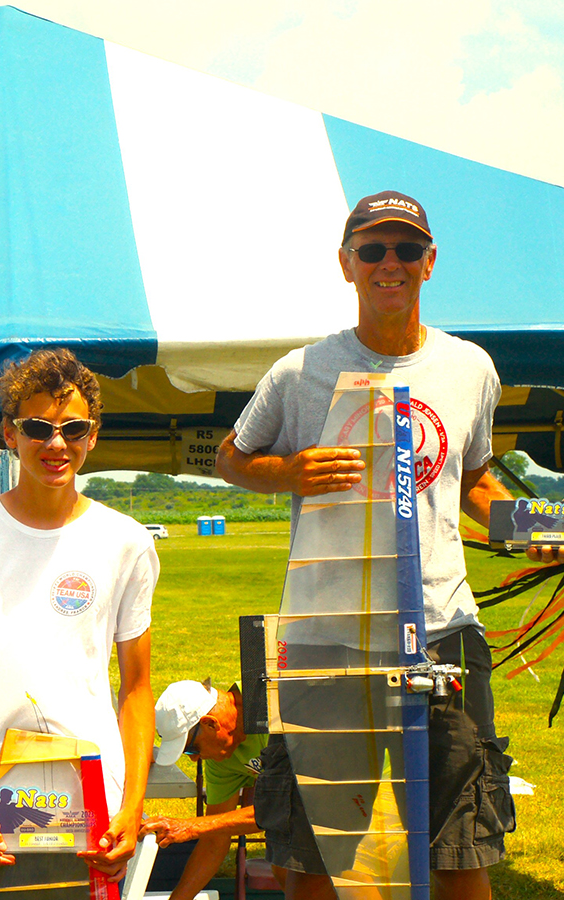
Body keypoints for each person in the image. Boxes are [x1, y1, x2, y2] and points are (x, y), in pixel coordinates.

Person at [216, 191, 522, 900]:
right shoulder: (299, 371)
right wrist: (288, 472)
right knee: (317, 851)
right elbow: (232, 457)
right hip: (327, 639)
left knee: (460, 845)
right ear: (346, 264)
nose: (391, 263)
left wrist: (538, 532)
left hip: (443, 630)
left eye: (407, 250)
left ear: (429, 262)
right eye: (373, 250)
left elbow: (474, 479)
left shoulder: (470, 368)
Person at [0, 348, 155, 899]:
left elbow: (137, 689)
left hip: (92, 823)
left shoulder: (126, 542)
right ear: (10, 433)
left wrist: (132, 807)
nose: (56, 444)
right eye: (38, 427)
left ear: (93, 436)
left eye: (73, 429)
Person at [143, 680, 266, 900]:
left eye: (192, 749)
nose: (195, 759)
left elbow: (285, 807)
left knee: (291, 869)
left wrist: (191, 827)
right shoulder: (222, 758)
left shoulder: (269, 708)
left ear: (210, 723)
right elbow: (215, 839)